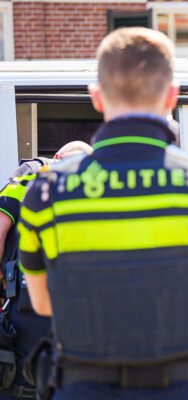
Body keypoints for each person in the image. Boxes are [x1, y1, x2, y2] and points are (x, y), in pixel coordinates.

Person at [17, 27, 188, 400]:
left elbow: (43, 303)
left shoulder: (47, 192)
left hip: (83, 385)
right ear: (172, 95)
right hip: (185, 385)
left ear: (96, 96)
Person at [0, 142, 92, 400]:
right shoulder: (98, 187)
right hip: (80, 313)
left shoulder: (31, 173)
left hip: (27, 307)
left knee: (20, 385)